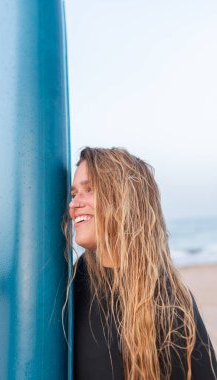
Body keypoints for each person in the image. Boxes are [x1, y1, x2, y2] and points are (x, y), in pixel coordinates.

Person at [65, 147, 217, 380]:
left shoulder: (169, 302)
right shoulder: (75, 281)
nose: (74, 205)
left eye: (89, 189)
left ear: (124, 197)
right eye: (74, 194)